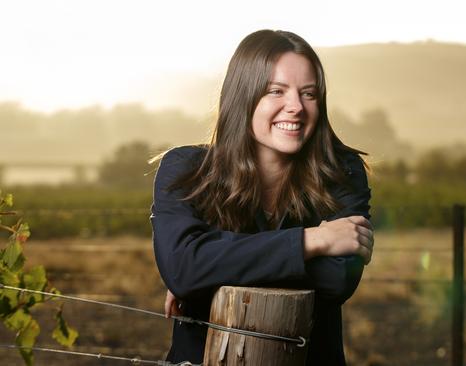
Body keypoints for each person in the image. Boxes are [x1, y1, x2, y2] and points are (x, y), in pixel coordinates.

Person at [150, 29, 373, 365]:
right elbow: (185, 268)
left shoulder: (342, 172)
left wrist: (210, 273)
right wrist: (314, 241)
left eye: (309, 94)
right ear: (244, 96)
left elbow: (336, 280)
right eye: (276, 91)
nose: (296, 107)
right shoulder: (184, 169)